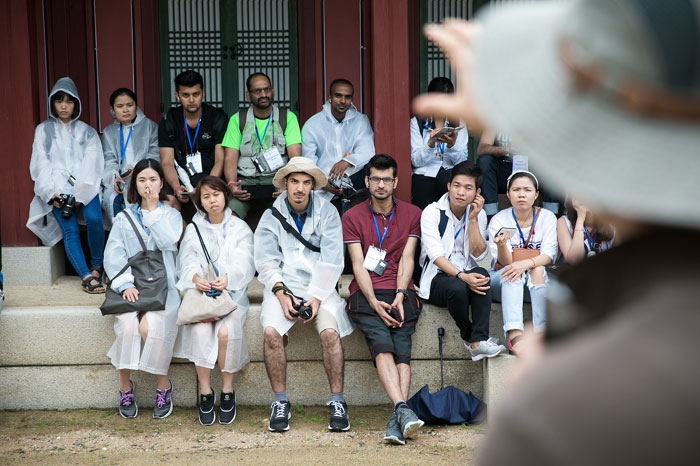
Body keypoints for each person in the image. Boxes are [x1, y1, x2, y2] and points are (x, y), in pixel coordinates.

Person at [416, 1, 700, 463]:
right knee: (511, 277)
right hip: (517, 284)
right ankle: (511, 330)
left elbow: (550, 256)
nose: (525, 195)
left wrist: (544, 388)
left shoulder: (553, 412)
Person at [253, 157, 353, 433]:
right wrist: (281, 293)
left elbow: (333, 260)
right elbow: (265, 260)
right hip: (283, 285)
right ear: (285, 183)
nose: (300, 188)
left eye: (306, 182)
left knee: (330, 335)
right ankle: (280, 402)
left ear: (312, 186)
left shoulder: (328, 212)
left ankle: (337, 401)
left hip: (320, 285)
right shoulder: (270, 215)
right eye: (294, 181)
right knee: (271, 333)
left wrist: (317, 296)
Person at [342, 154, 425, 445]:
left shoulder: (413, 214)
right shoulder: (351, 216)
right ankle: (403, 410)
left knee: (402, 345)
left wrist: (401, 295)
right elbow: (357, 265)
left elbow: (408, 259)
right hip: (367, 294)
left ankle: (398, 416)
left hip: (402, 292)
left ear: (396, 182)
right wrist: (374, 301)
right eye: (375, 178)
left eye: (386, 179)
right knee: (382, 342)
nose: (380, 184)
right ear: (366, 181)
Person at [104, 158, 183, 419]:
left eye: (152, 179)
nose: (147, 185)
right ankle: (125, 387)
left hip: (163, 286)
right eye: (142, 180)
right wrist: (125, 284)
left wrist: (151, 209)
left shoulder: (171, 215)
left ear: (162, 183)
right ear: (134, 185)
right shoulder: (123, 218)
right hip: (130, 285)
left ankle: (163, 385)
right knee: (128, 327)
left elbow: (168, 241)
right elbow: (113, 255)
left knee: (150, 327)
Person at [173, 176, 255, 426]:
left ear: (225, 196)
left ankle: (228, 391)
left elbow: (246, 260)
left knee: (225, 333)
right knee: (199, 330)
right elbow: (187, 259)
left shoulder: (239, 227)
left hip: (231, 295)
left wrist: (228, 278)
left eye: (216, 194)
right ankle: (206, 392)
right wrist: (195, 277)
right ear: (200, 202)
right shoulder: (195, 228)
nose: (212, 201)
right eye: (206, 197)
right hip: (202, 295)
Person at [418, 161, 506, 360]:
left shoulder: (479, 214)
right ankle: (470, 336)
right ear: (448, 186)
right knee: (457, 286)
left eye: (468, 188)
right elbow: (436, 256)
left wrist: (473, 219)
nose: (460, 192)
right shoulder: (432, 212)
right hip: (437, 279)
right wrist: (462, 276)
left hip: (465, 271)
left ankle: (480, 340)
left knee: (483, 276)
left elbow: (479, 255)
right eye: (456, 185)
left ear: (477, 192)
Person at [27, 77, 106, 294]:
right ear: (52, 103)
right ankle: (86, 275)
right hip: (56, 189)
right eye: (59, 101)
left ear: (76, 104)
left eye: (69, 101)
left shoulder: (87, 132)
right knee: (69, 228)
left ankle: (97, 266)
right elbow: (40, 163)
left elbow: (93, 165)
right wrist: (49, 193)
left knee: (94, 219)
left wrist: (80, 194)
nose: (63, 106)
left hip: (85, 188)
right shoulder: (43, 130)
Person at [487, 171, 557, 355]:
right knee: (513, 273)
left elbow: (548, 255)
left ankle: (541, 334)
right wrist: (502, 246)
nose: (521, 194)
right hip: (502, 281)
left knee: (538, 269)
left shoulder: (547, 217)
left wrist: (525, 264)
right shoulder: (499, 220)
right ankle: (515, 336)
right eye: (516, 190)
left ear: (536, 194)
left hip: (536, 283)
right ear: (508, 194)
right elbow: (505, 262)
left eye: (527, 190)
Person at [223, 72, 303, 223]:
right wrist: (232, 185)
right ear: (248, 95)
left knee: (288, 216)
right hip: (246, 184)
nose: (263, 94)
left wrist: (288, 185)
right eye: (257, 91)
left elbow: (295, 157)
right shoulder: (237, 119)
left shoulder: (287, 117)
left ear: (272, 91)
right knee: (229, 216)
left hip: (277, 183)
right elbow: (230, 158)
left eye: (267, 90)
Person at [158, 70, 228, 217]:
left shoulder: (217, 117)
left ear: (203, 93)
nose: (191, 100)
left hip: (211, 177)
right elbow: (166, 162)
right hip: (180, 178)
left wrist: (206, 186)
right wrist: (176, 187)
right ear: (177, 95)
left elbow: (221, 159)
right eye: (185, 95)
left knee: (215, 201)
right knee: (168, 205)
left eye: (195, 94)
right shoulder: (169, 120)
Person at [301, 78, 375, 202]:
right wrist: (323, 183)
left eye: (347, 97)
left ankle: (374, 217)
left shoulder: (360, 120)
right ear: (330, 97)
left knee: (376, 169)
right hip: (323, 181)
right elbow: (308, 162)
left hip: (351, 177)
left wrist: (346, 162)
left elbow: (367, 151)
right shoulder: (313, 124)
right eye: (338, 96)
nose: (343, 101)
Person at [101, 88, 159, 225]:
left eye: (129, 105)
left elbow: (155, 154)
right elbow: (109, 159)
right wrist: (114, 177)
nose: (125, 110)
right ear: (113, 110)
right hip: (121, 179)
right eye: (120, 106)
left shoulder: (150, 126)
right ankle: (122, 237)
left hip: (146, 176)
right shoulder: (108, 132)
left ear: (136, 106)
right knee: (112, 199)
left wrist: (140, 170)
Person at [410, 77, 468, 210]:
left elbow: (462, 161)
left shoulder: (459, 122)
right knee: (426, 205)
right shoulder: (417, 122)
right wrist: (430, 144)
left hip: (449, 174)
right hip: (424, 174)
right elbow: (416, 161)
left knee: (450, 181)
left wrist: (451, 146)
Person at [477, 130, 560, 217]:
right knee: (484, 160)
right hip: (504, 171)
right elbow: (481, 149)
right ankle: (490, 214)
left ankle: (552, 215)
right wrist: (508, 149)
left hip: (533, 170)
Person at [556, 197, 614, 265]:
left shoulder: (612, 223)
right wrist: (580, 218)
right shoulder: (563, 222)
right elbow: (574, 260)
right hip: (573, 273)